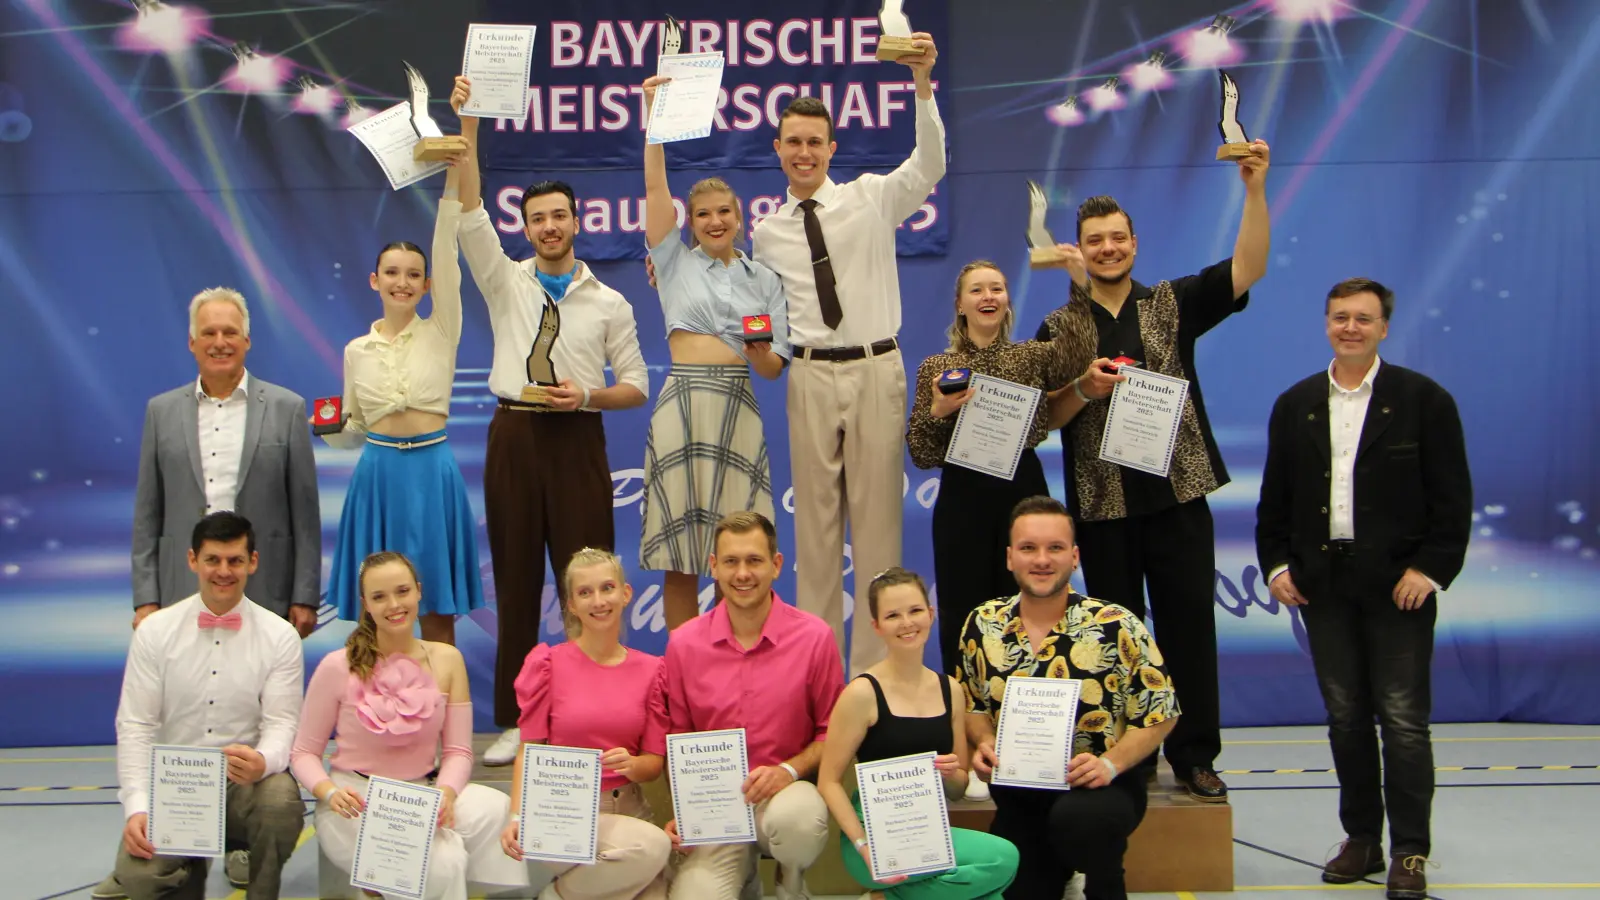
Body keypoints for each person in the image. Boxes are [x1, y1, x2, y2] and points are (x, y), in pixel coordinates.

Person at [1032, 143, 1271, 801]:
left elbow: (1249, 266)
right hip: (1102, 506)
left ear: (1135, 243)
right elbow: (1043, 420)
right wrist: (1082, 389)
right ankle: (1124, 756)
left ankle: (1195, 755)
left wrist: (1254, 191)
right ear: (1075, 249)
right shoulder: (1060, 326)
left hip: (1177, 496)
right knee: (1113, 639)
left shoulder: (1171, 303)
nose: (1107, 248)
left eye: (1117, 238)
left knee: (1190, 628)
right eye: (1094, 241)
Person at [448, 75, 651, 765]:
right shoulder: (506, 281)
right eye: (538, 219)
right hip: (514, 436)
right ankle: (518, 715)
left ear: (576, 221)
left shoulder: (609, 303)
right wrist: (469, 122)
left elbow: (638, 387)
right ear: (527, 226)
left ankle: (590, 712)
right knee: (512, 578)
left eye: (560, 216)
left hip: (578, 438)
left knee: (589, 579)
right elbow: (469, 202)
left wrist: (587, 396)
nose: (550, 227)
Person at [1255, 278, 1471, 900]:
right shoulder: (1295, 404)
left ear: (1384, 327)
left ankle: (1410, 851)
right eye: (1340, 317)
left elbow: (1453, 500)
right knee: (1345, 719)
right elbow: (1276, 501)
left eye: (1364, 319)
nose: (1351, 327)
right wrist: (1276, 566)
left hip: (1399, 587)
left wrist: (1429, 571)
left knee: (1403, 722)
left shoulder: (1424, 401)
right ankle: (1362, 839)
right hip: (1323, 587)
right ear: (1326, 323)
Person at [750, 33, 945, 676]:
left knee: (880, 528)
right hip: (807, 374)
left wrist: (920, 85)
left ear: (831, 149)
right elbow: (760, 311)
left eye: (815, 141)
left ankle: (874, 681)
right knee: (816, 534)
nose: (804, 152)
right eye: (793, 142)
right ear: (777, 151)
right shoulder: (767, 232)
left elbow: (930, 165)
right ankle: (818, 676)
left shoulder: (870, 196)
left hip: (874, 368)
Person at [960, 496, 1179, 900]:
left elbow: (1161, 713)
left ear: (1074, 557)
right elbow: (973, 705)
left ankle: (1104, 879)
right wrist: (985, 745)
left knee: (1083, 823)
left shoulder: (1116, 624)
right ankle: (1056, 871)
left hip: (1100, 791)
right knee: (1021, 890)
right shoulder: (982, 624)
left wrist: (1110, 765)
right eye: (1028, 548)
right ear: (1010, 558)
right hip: (1021, 794)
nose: (1041, 560)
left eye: (1055, 548)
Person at [638, 74, 790, 630]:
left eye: (723, 211)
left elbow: (774, 370)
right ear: (690, 223)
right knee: (681, 558)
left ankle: (742, 666)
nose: (714, 221)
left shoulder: (765, 280)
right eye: (702, 215)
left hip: (739, 405)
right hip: (682, 402)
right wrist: (654, 118)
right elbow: (657, 191)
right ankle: (685, 673)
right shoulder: (673, 262)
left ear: (739, 216)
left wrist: (757, 351)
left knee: (741, 554)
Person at [290, 551, 528, 900]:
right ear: (365, 604)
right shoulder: (336, 666)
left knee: (493, 810)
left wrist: (446, 794)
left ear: (418, 591)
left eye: (402, 591)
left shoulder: (447, 659)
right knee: (445, 862)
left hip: (424, 792)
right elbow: (303, 753)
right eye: (379, 596)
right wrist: (328, 792)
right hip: (356, 799)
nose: (393, 604)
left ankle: (391, 886)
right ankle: (385, 883)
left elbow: (459, 751)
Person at [318, 143, 483, 645]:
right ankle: (378, 713)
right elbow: (354, 432)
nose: (403, 282)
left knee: (437, 604)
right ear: (374, 280)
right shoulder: (356, 350)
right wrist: (328, 433)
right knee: (378, 606)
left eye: (414, 275)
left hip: (432, 472)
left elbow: (446, 253)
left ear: (428, 285)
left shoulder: (442, 330)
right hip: (378, 475)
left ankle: (439, 712)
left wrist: (453, 185)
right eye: (392, 273)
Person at [101, 511, 305, 900]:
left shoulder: (281, 637)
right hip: (175, 788)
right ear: (193, 560)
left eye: (235, 560)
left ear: (253, 562)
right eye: (213, 559)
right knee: (141, 879)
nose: (224, 571)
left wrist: (264, 760)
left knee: (280, 799)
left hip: (244, 788)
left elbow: (282, 723)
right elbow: (136, 726)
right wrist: (138, 808)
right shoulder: (155, 632)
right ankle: (177, 874)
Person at [663, 511, 844, 900]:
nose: (742, 573)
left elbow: (834, 732)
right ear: (713, 567)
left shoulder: (815, 638)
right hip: (715, 809)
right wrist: (687, 808)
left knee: (798, 823)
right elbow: (678, 738)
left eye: (754, 561)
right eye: (731, 561)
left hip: (784, 798)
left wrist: (788, 770)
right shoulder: (683, 644)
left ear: (776, 565)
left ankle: (789, 882)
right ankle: (743, 879)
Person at [906, 260, 1074, 674]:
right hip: (963, 499)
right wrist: (937, 411)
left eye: (996, 289)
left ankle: (1035, 711)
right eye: (977, 290)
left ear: (1007, 301)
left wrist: (1075, 275)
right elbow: (922, 454)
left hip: (1024, 493)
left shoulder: (1033, 356)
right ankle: (967, 720)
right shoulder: (936, 368)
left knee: (1033, 600)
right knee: (964, 610)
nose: (988, 297)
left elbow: (1082, 349)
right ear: (960, 304)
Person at [818, 567, 1019, 900]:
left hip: (927, 833)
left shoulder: (950, 690)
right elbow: (828, 781)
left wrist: (953, 772)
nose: (907, 622)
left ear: (931, 613)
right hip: (872, 834)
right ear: (877, 626)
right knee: (991, 883)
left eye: (914, 611)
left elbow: (956, 789)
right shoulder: (861, 693)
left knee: (1004, 857)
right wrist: (863, 845)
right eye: (893, 615)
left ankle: (884, 899)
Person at [132, 286, 320, 637]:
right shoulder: (161, 412)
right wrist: (145, 598)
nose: (220, 342)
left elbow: (305, 515)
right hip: (180, 592)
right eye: (209, 333)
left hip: (267, 592)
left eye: (230, 332)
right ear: (192, 342)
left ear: (247, 340)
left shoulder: (287, 408)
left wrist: (305, 595)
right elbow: (147, 514)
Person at [501, 548, 672, 900]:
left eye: (607, 588)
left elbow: (653, 765)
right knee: (653, 847)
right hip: (563, 814)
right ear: (571, 605)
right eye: (585, 592)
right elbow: (527, 752)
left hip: (630, 812)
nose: (598, 601)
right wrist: (517, 817)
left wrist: (634, 764)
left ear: (625, 594)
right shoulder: (547, 665)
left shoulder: (653, 671)